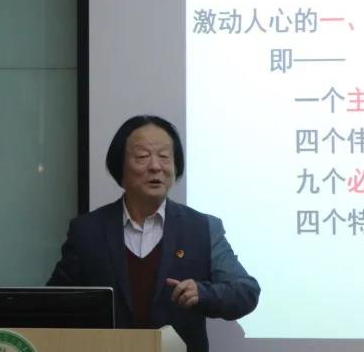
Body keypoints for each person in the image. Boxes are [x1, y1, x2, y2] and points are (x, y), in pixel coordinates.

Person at [47, 115, 260, 352]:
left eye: (164, 156)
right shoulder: (87, 230)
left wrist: (203, 293)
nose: (156, 166)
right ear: (120, 167)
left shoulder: (202, 227)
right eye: (142, 156)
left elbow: (246, 291)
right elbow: (53, 305)